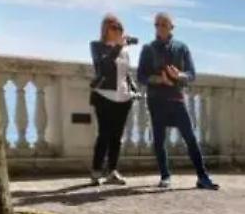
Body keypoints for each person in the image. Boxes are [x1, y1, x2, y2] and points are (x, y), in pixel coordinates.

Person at [136, 12, 219, 190]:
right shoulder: (148, 49)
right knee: (159, 140)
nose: (160, 28)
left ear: (171, 27)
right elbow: (141, 76)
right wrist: (159, 80)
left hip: (176, 99)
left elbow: (192, 74)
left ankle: (202, 177)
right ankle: (165, 176)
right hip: (156, 100)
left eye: (164, 24)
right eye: (157, 24)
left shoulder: (182, 48)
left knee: (190, 138)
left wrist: (178, 75)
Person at [88, 13, 136, 185]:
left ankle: (112, 170)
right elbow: (104, 67)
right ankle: (96, 171)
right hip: (104, 96)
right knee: (104, 135)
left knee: (117, 137)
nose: (118, 31)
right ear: (105, 29)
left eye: (120, 28)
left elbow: (126, 73)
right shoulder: (97, 46)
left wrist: (133, 89)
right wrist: (117, 47)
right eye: (114, 27)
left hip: (123, 98)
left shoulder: (124, 50)